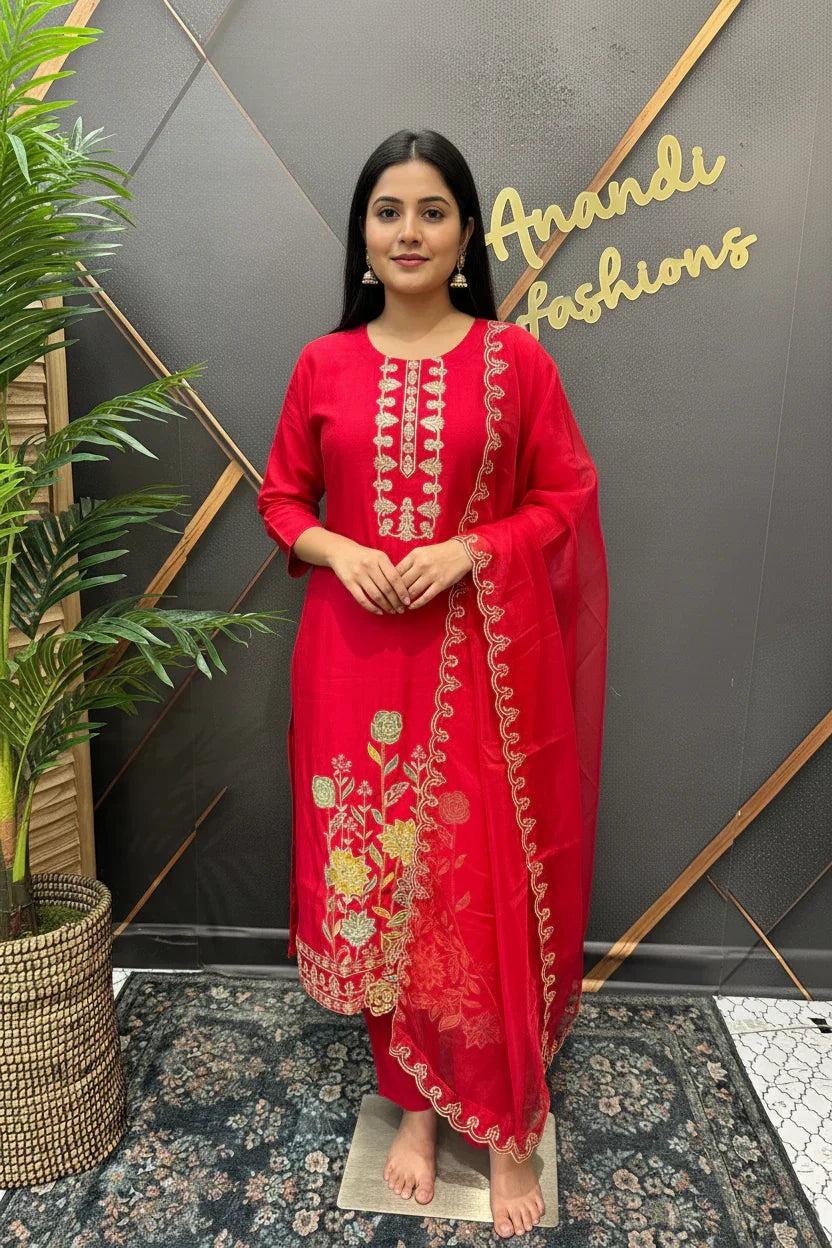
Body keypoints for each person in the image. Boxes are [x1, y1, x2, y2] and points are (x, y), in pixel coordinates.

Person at [256, 128, 609, 1239]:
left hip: (481, 668)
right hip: (353, 667)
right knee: (381, 888)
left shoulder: (515, 362)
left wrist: (472, 549)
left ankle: (505, 1129)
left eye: (432, 211)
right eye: (387, 211)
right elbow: (281, 499)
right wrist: (335, 549)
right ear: (362, 236)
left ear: (464, 236)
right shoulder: (323, 365)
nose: (408, 232)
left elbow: (565, 496)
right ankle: (411, 1109)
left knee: (477, 890)